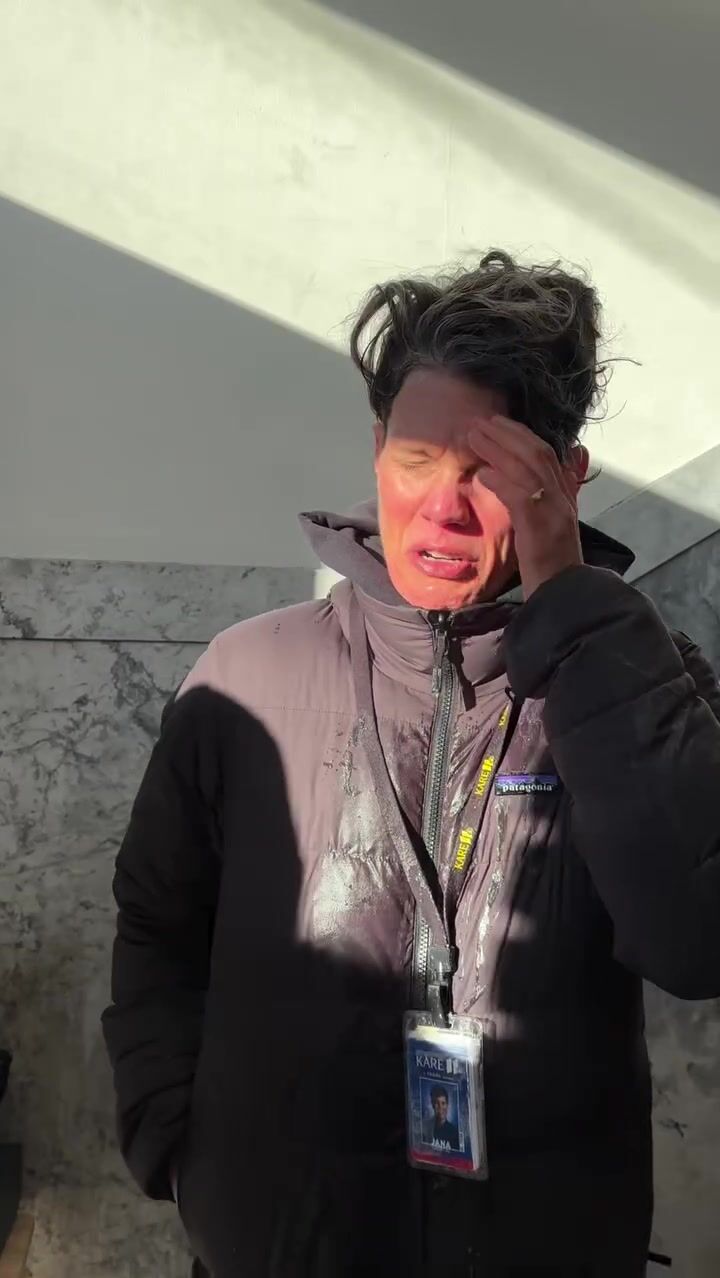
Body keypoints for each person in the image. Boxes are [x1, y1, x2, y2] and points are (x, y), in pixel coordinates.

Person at [103, 250, 720, 1278]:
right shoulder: (245, 676)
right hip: (281, 1243)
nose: (443, 507)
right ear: (378, 447)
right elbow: (157, 921)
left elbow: (697, 941)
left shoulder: (633, 676)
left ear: (564, 480)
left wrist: (574, 612)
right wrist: (177, 1142)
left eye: (491, 472)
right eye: (417, 458)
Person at [422, 1086, 460, 1152]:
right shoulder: (425, 1127)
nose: (440, 1107)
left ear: (447, 1105)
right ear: (433, 1105)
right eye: (437, 1103)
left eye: (443, 1103)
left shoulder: (454, 1133)